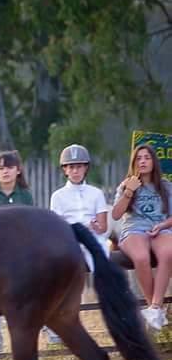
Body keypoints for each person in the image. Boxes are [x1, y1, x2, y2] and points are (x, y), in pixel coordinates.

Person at [48, 144, 109, 343]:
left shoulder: (96, 193)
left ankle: (110, 313)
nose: (75, 171)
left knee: (103, 269)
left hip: (93, 239)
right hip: (70, 240)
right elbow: (56, 227)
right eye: (71, 167)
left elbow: (103, 226)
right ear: (64, 169)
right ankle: (59, 322)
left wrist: (94, 226)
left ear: (86, 168)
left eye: (79, 166)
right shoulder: (58, 196)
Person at [110, 142, 172, 330]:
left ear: (154, 161)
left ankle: (154, 307)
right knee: (141, 257)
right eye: (139, 158)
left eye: (147, 157)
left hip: (160, 229)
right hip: (134, 230)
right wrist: (129, 191)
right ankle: (155, 309)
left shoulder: (166, 186)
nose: (143, 161)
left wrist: (162, 225)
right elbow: (116, 215)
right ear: (134, 163)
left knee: (168, 253)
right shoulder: (126, 185)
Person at [0, 150, 35, 352]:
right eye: (0, 168)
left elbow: (29, 227)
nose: (5, 172)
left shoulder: (25, 195)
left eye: (9, 167)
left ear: (18, 170)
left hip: (20, 253)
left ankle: (37, 327)